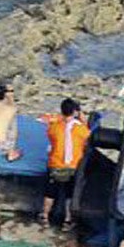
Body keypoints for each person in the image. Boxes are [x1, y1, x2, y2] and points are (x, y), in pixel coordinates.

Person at [40, 98, 91, 229]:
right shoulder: (81, 130)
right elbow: (87, 138)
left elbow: (52, 137)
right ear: (75, 112)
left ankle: (45, 216)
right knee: (69, 193)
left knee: (50, 192)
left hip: (55, 166)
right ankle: (67, 220)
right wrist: (82, 119)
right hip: (72, 168)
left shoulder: (54, 127)